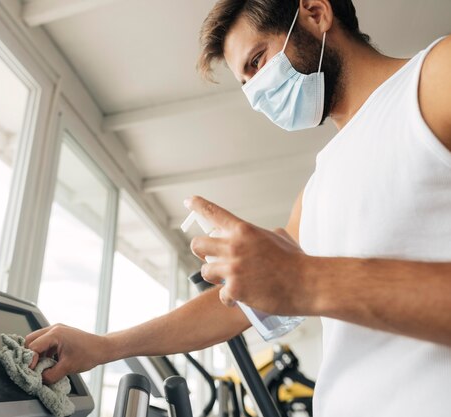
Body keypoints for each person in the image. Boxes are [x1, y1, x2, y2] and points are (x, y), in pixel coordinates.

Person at [26, 0, 451, 415]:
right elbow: (236, 304)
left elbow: (300, 280)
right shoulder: (320, 184)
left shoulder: (435, 76)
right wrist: (106, 347)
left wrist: (304, 279)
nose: (256, 95)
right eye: (245, 83)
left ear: (316, 13)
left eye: (257, 62)